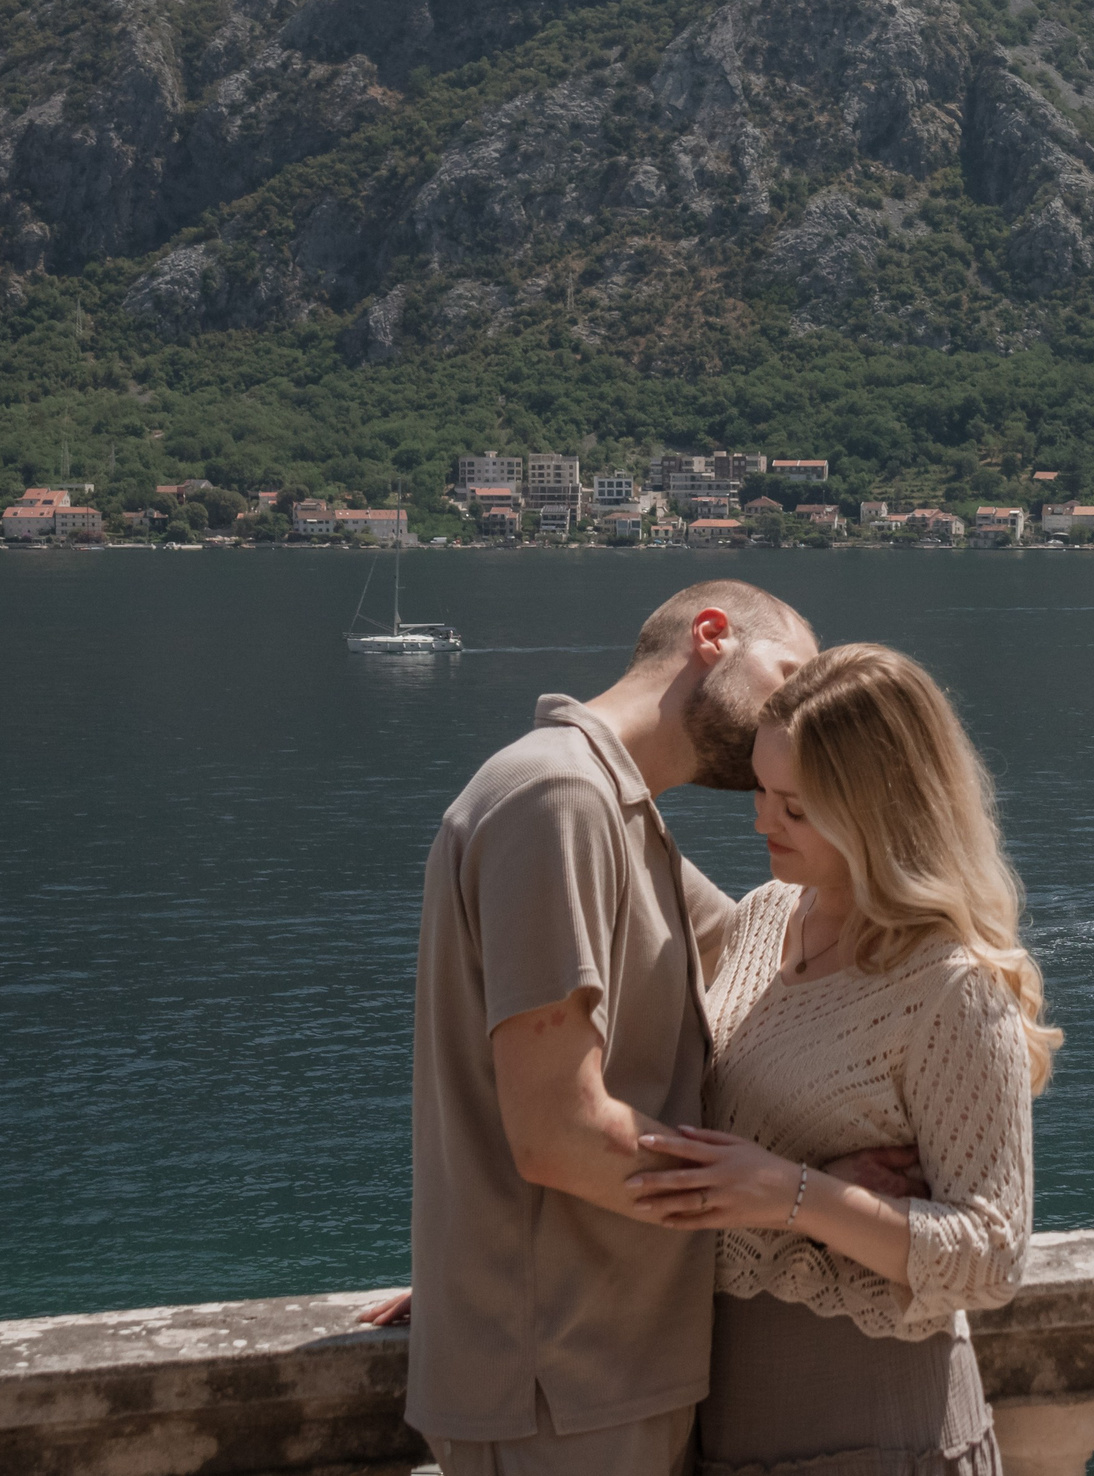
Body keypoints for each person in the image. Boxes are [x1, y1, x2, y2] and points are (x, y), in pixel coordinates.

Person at [373, 582, 923, 1476]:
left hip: (588, 1361)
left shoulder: (620, 814)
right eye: (787, 678)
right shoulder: (559, 797)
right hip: (565, 1379)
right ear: (712, 637)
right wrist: (802, 1201)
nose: (797, 715)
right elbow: (559, 1134)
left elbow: (779, 944)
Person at [618, 644, 1060, 1476]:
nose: (760, 823)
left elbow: (994, 1255)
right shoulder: (763, 917)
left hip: (884, 1435)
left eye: (795, 807)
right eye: (760, 790)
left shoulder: (950, 990)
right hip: (724, 1428)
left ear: (879, 809)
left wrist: (795, 1194)